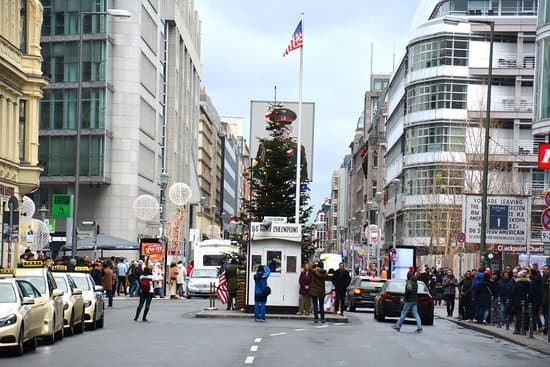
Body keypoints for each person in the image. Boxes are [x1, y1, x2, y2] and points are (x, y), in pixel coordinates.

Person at [510, 270, 530, 334]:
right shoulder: (528, 283)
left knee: (518, 315)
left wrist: (512, 300)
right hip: (525, 300)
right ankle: (524, 329)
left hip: (517, 301)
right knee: (524, 315)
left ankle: (517, 329)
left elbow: (512, 293)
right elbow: (530, 292)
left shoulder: (517, 283)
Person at [542, 265, 549, 335]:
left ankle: (546, 327)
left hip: (546, 299)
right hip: (544, 298)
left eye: (546, 269)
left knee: (546, 314)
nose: (544, 270)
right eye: (544, 269)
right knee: (546, 314)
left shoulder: (545, 276)